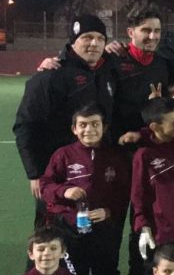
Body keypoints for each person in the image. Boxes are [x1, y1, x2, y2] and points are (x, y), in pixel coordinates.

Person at [39, 104, 131, 275]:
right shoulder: (63, 155)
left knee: (107, 271)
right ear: (74, 129)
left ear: (104, 127)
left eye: (94, 124)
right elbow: (45, 185)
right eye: (83, 125)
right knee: (74, 274)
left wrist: (108, 211)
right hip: (70, 228)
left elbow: (124, 192)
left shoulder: (115, 156)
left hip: (103, 228)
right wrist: (64, 191)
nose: (89, 130)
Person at [14, 15, 115, 212]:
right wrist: (35, 173)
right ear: (73, 41)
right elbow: (25, 125)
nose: (94, 43)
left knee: (101, 225)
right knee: (56, 227)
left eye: (100, 38)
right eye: (87, 37)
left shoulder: (108, 71)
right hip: (59, 173)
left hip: (100, 170)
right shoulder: (50, 76)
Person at [132, 97, 174, 260]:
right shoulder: (144, 155)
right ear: (155, 127)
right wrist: (143, 224)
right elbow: (138, 194)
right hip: (162, 235)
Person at [108, 9, 171, 138]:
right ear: (131, 32)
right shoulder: (113, 60)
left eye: (157, 31)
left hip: (150, 137)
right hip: (120, 139)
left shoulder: (162, 63)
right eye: (146, 30)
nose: (152, 36)